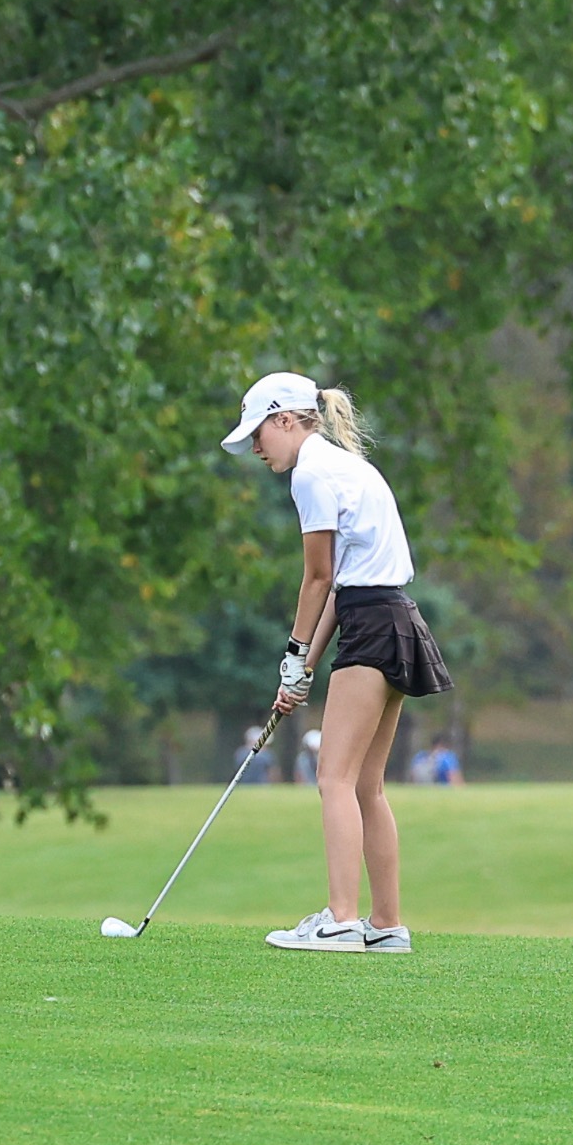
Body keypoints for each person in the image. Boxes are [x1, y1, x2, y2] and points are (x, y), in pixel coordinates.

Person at [221, 371, 452, 953]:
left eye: (258, 432)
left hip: (371, 624)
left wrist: (295, 655)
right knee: (367, 785)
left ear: (285, 419)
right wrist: (300, 669)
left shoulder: (312, 476)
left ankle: (342, 919)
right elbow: (340, 587)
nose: (255, 446)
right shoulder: (349, 467)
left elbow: (318, 578)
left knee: (335, 779)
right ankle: (386, 925)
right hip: (394, 618)